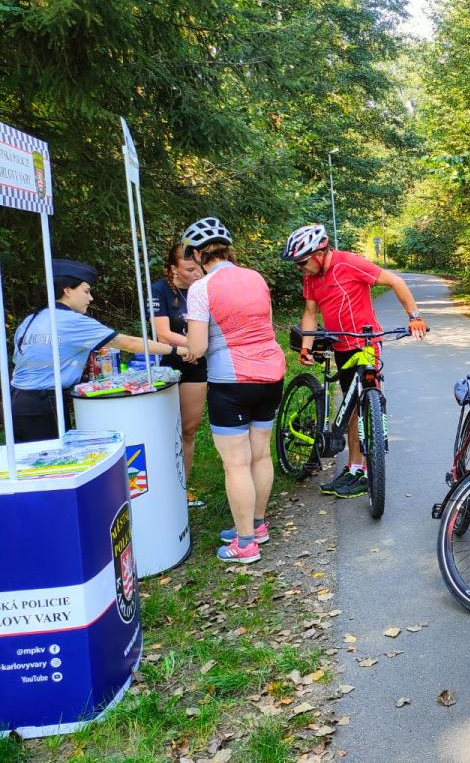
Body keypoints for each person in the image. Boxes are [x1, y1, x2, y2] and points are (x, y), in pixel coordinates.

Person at [280, 224, 427, 499]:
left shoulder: (349, 263)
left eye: (302, 262)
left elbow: (396, 281)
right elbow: (310, 312)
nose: (300, 268)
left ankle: (371, 470)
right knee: (350, 407)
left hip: (366, 344)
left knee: (368, 402)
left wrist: (414, 316)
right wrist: (306, 346)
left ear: (320, 253)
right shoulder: (311, 278)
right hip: (340, 345)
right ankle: (354, 467)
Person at [182, 218, 285, 565]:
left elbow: (196, 347)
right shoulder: (256, 277)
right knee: (261, 455)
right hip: (271, 373)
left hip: (232, 381)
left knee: (236, 464)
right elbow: (264, 325)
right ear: (229, 250)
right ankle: (257, 526)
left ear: (197, 254)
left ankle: (244, 545)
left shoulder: (201, 288)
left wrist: (187, 349)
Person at [10, 259, 187, 442]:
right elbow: (129, 343)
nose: (90, 298)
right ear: (67, 291)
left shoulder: (32, 319)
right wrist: (177, 351)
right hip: (43, 403)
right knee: (52, 464)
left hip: (15, 401)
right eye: (86, 291)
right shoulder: (72, 321)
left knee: (25, 464)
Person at [151, 243, 208, 507]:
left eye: (199, 267)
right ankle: (163, 487)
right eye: (189, 269)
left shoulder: (204, 287)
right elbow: (162, 332)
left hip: (198, 363)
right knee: (166, 429)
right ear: (174, 269)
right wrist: (189, 346)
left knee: (189, 428)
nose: (197, 273)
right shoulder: (160, 290)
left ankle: (182, 487)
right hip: (172, 364)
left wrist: (198, 348)